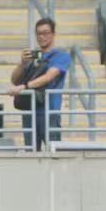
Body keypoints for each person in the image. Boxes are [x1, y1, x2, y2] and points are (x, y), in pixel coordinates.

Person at [9, 17, 71, 149]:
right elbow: (14, 80)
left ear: (53, 34)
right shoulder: (33, 57)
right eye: (39, 33)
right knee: (31, 154)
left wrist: (24, 87)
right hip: (29, 111)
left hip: (49, 112)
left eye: (45, 33)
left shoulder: (61, 56)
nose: (42, 37)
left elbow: (48, 77)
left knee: (53, 153)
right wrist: (22, 64)